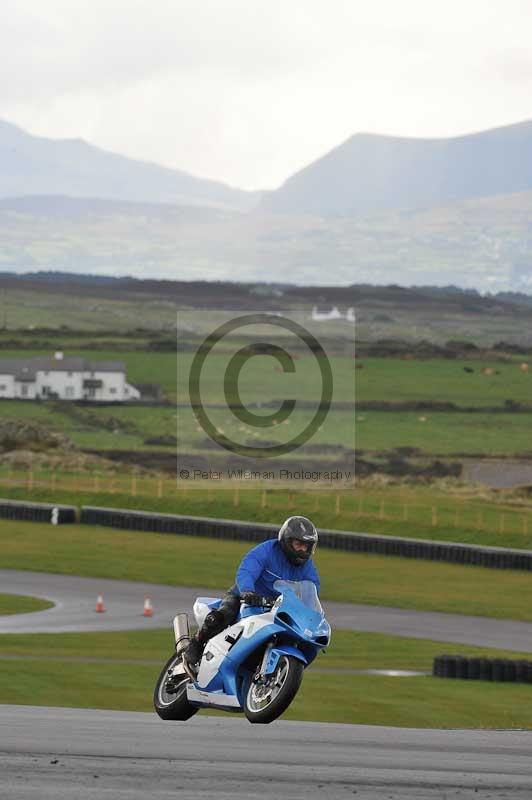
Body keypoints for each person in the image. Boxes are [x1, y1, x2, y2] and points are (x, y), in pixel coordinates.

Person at [183, 515, 320, 676]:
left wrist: (311, 613)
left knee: (305, 641)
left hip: (279, 609)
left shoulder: (307, 567)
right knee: (221, 616)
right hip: (246, 598)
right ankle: (197, 643)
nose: (302, 550)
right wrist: (247, 591)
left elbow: (312, 590)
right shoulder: (267, 551)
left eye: (306, 546)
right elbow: (247, 570)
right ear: (286, 541)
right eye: (299, 544)